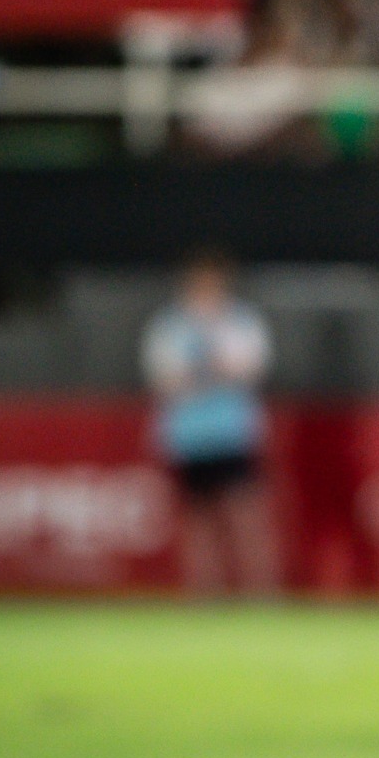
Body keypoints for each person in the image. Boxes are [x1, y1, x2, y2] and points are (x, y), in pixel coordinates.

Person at [140, 250, 277, 597]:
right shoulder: (170, 325)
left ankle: (261, 595)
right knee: (197, 521)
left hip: (231, 433)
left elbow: (251, 368)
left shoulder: (240, 321)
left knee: (243, 517)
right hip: (189, 435)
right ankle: (205, 595)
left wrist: (214, 362)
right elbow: (163, 378)